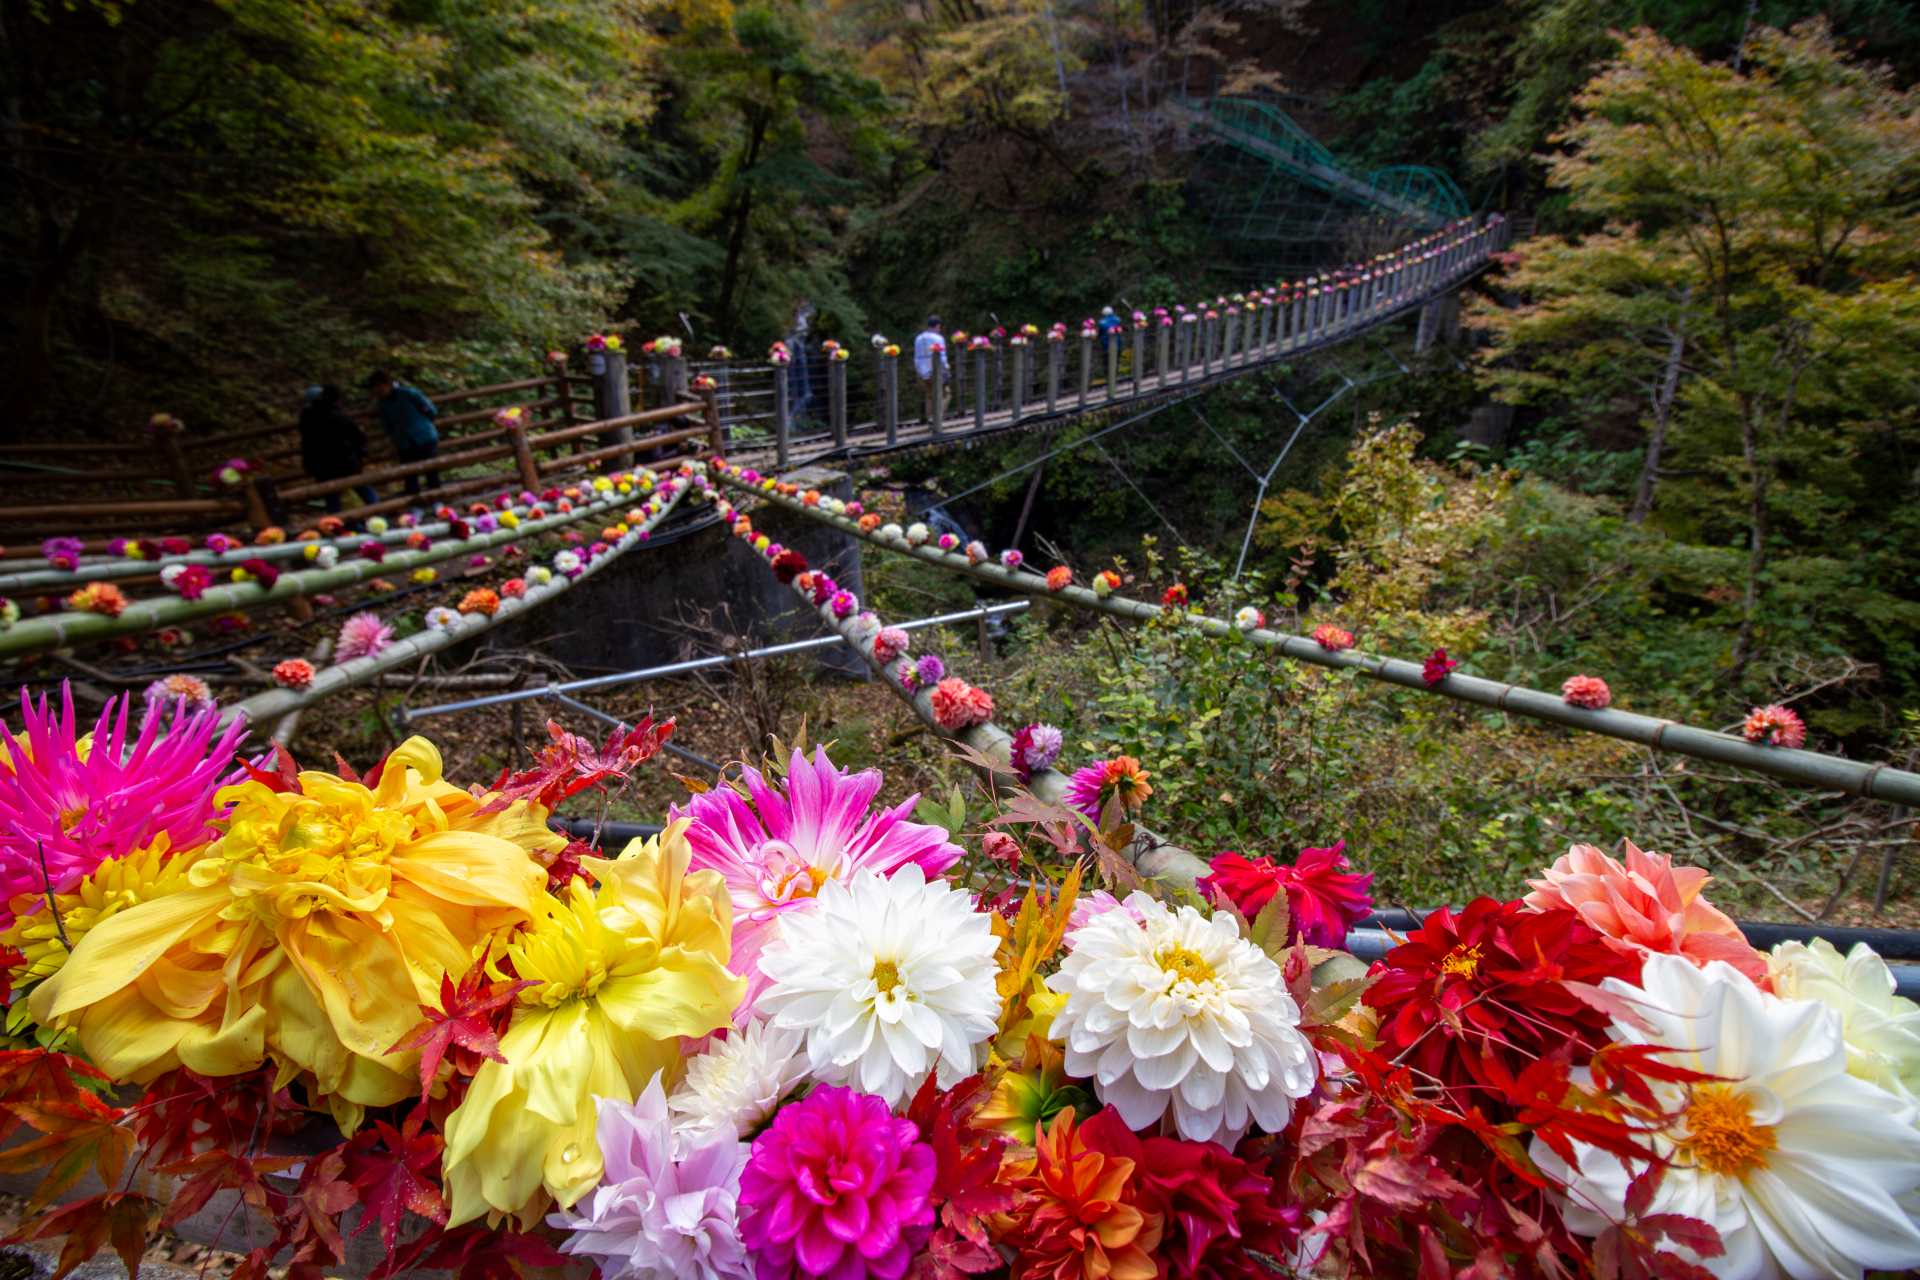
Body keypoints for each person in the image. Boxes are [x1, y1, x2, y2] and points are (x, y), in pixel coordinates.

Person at [298, 385, 379, 514]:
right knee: (362, 488)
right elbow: (356, 435)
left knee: (332, 498)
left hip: (322, 465)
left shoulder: (306, 417)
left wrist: (309, 464)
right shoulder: (336, 414)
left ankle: (336, 522)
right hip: (344, 461)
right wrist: (359, 451)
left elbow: (307, 443)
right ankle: (380, 514)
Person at [366, 370, 440, 498]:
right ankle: (415, 503)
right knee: (410, 475)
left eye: (380, 387)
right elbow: (387, 424)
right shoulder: (382, 404)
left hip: (424, 436)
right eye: (375, 389)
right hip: (403, 441)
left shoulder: (408, 393)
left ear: (388, 384)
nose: (378, 391)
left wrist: (423, 424)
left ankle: (436, 499)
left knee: (431, 470)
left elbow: (430, 410)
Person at [913, 314, 949, 424]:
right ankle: (937, 418)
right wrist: (946, 371)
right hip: (936, 371)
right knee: (945, 394)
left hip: (922, 372)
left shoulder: (918, 338)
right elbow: (942, 358)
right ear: (937, 326)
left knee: (929, 396)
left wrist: (919, 371)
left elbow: (916, 357)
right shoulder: (938, 338)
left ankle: (929, 418)